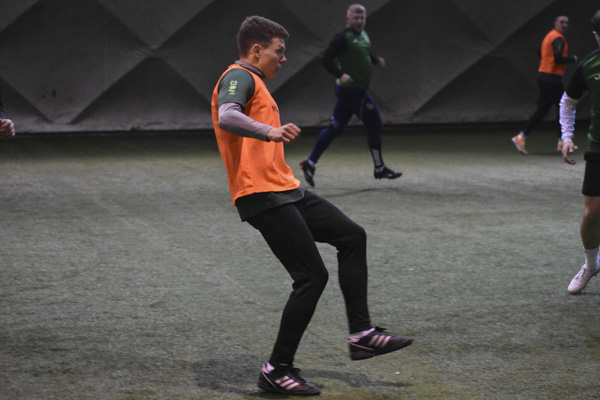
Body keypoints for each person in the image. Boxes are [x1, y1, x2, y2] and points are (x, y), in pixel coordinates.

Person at [211, 15, 412, 396]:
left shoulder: (257, 82)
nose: (283, 58)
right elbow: (227, 115)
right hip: (261, 195)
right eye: (279, 51)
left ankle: (362, 335)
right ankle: (276, 369)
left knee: (352, 236)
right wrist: (271, 131)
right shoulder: (238, 76)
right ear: (257, 50)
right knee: (311, 277)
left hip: (286, 189)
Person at [299, 4, 401, 187]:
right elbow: (326, 60)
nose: (359, 21)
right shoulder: (342, 38)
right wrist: (341, 74)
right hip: (352, 91)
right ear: (348, 19)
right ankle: (379, 168)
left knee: (336, 127)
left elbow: (365, 52)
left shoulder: (363, 35)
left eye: (362, 18)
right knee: (375, 123)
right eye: (356, 18)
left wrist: (375, 60)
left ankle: (310, 163)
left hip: (355, 91)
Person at [560, 9, 600, 294]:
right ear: (597, 35)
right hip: (598, 148)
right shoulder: (589, 64)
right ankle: (591, 264)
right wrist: (567, 136)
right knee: (591, 215)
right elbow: (568, 101)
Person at [512, 15, 577, 155]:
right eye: (562, 22)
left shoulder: (550, 36)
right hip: (551, 80)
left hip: (548, 78)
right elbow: (558, 58)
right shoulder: (558, 38)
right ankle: (521, 136)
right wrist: (572, 59)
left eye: (567, 22)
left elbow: (539, 52)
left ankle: (561, 141)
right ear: (555, 23)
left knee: (556, 108)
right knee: (555, 108)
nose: (564, 25)